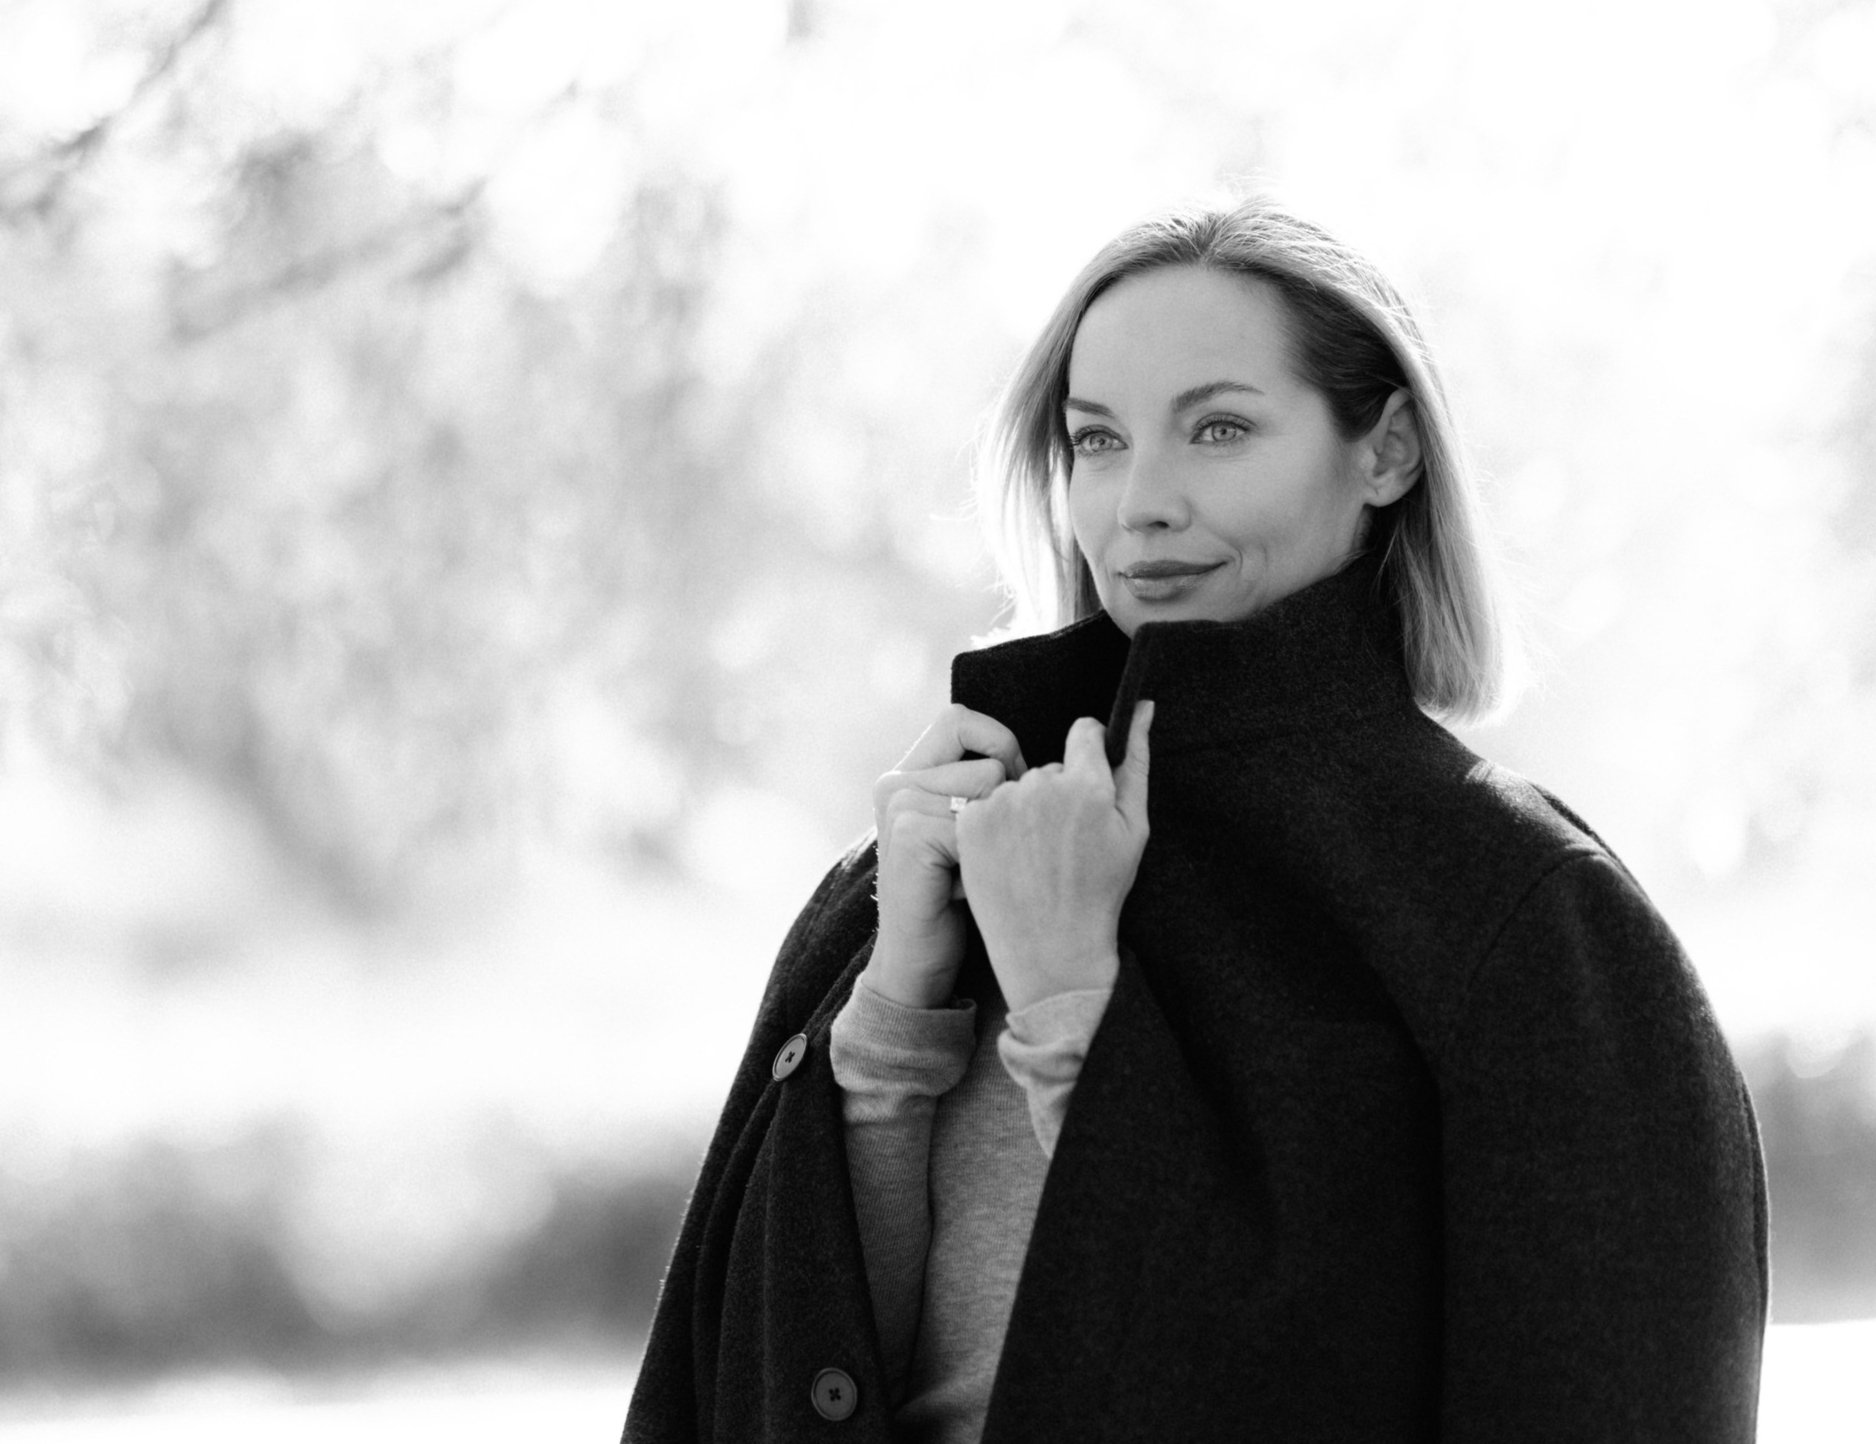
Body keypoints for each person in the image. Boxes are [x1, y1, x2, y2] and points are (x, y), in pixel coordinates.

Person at [622, 200, 1766, 1444]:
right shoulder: (898, 876)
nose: (1141, 503)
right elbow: (748, 1379)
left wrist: (1073, 1009)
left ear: (1384, 451)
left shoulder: (1518, 912)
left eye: (1219, 429)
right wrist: (895, 1010)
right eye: (1096, 440)